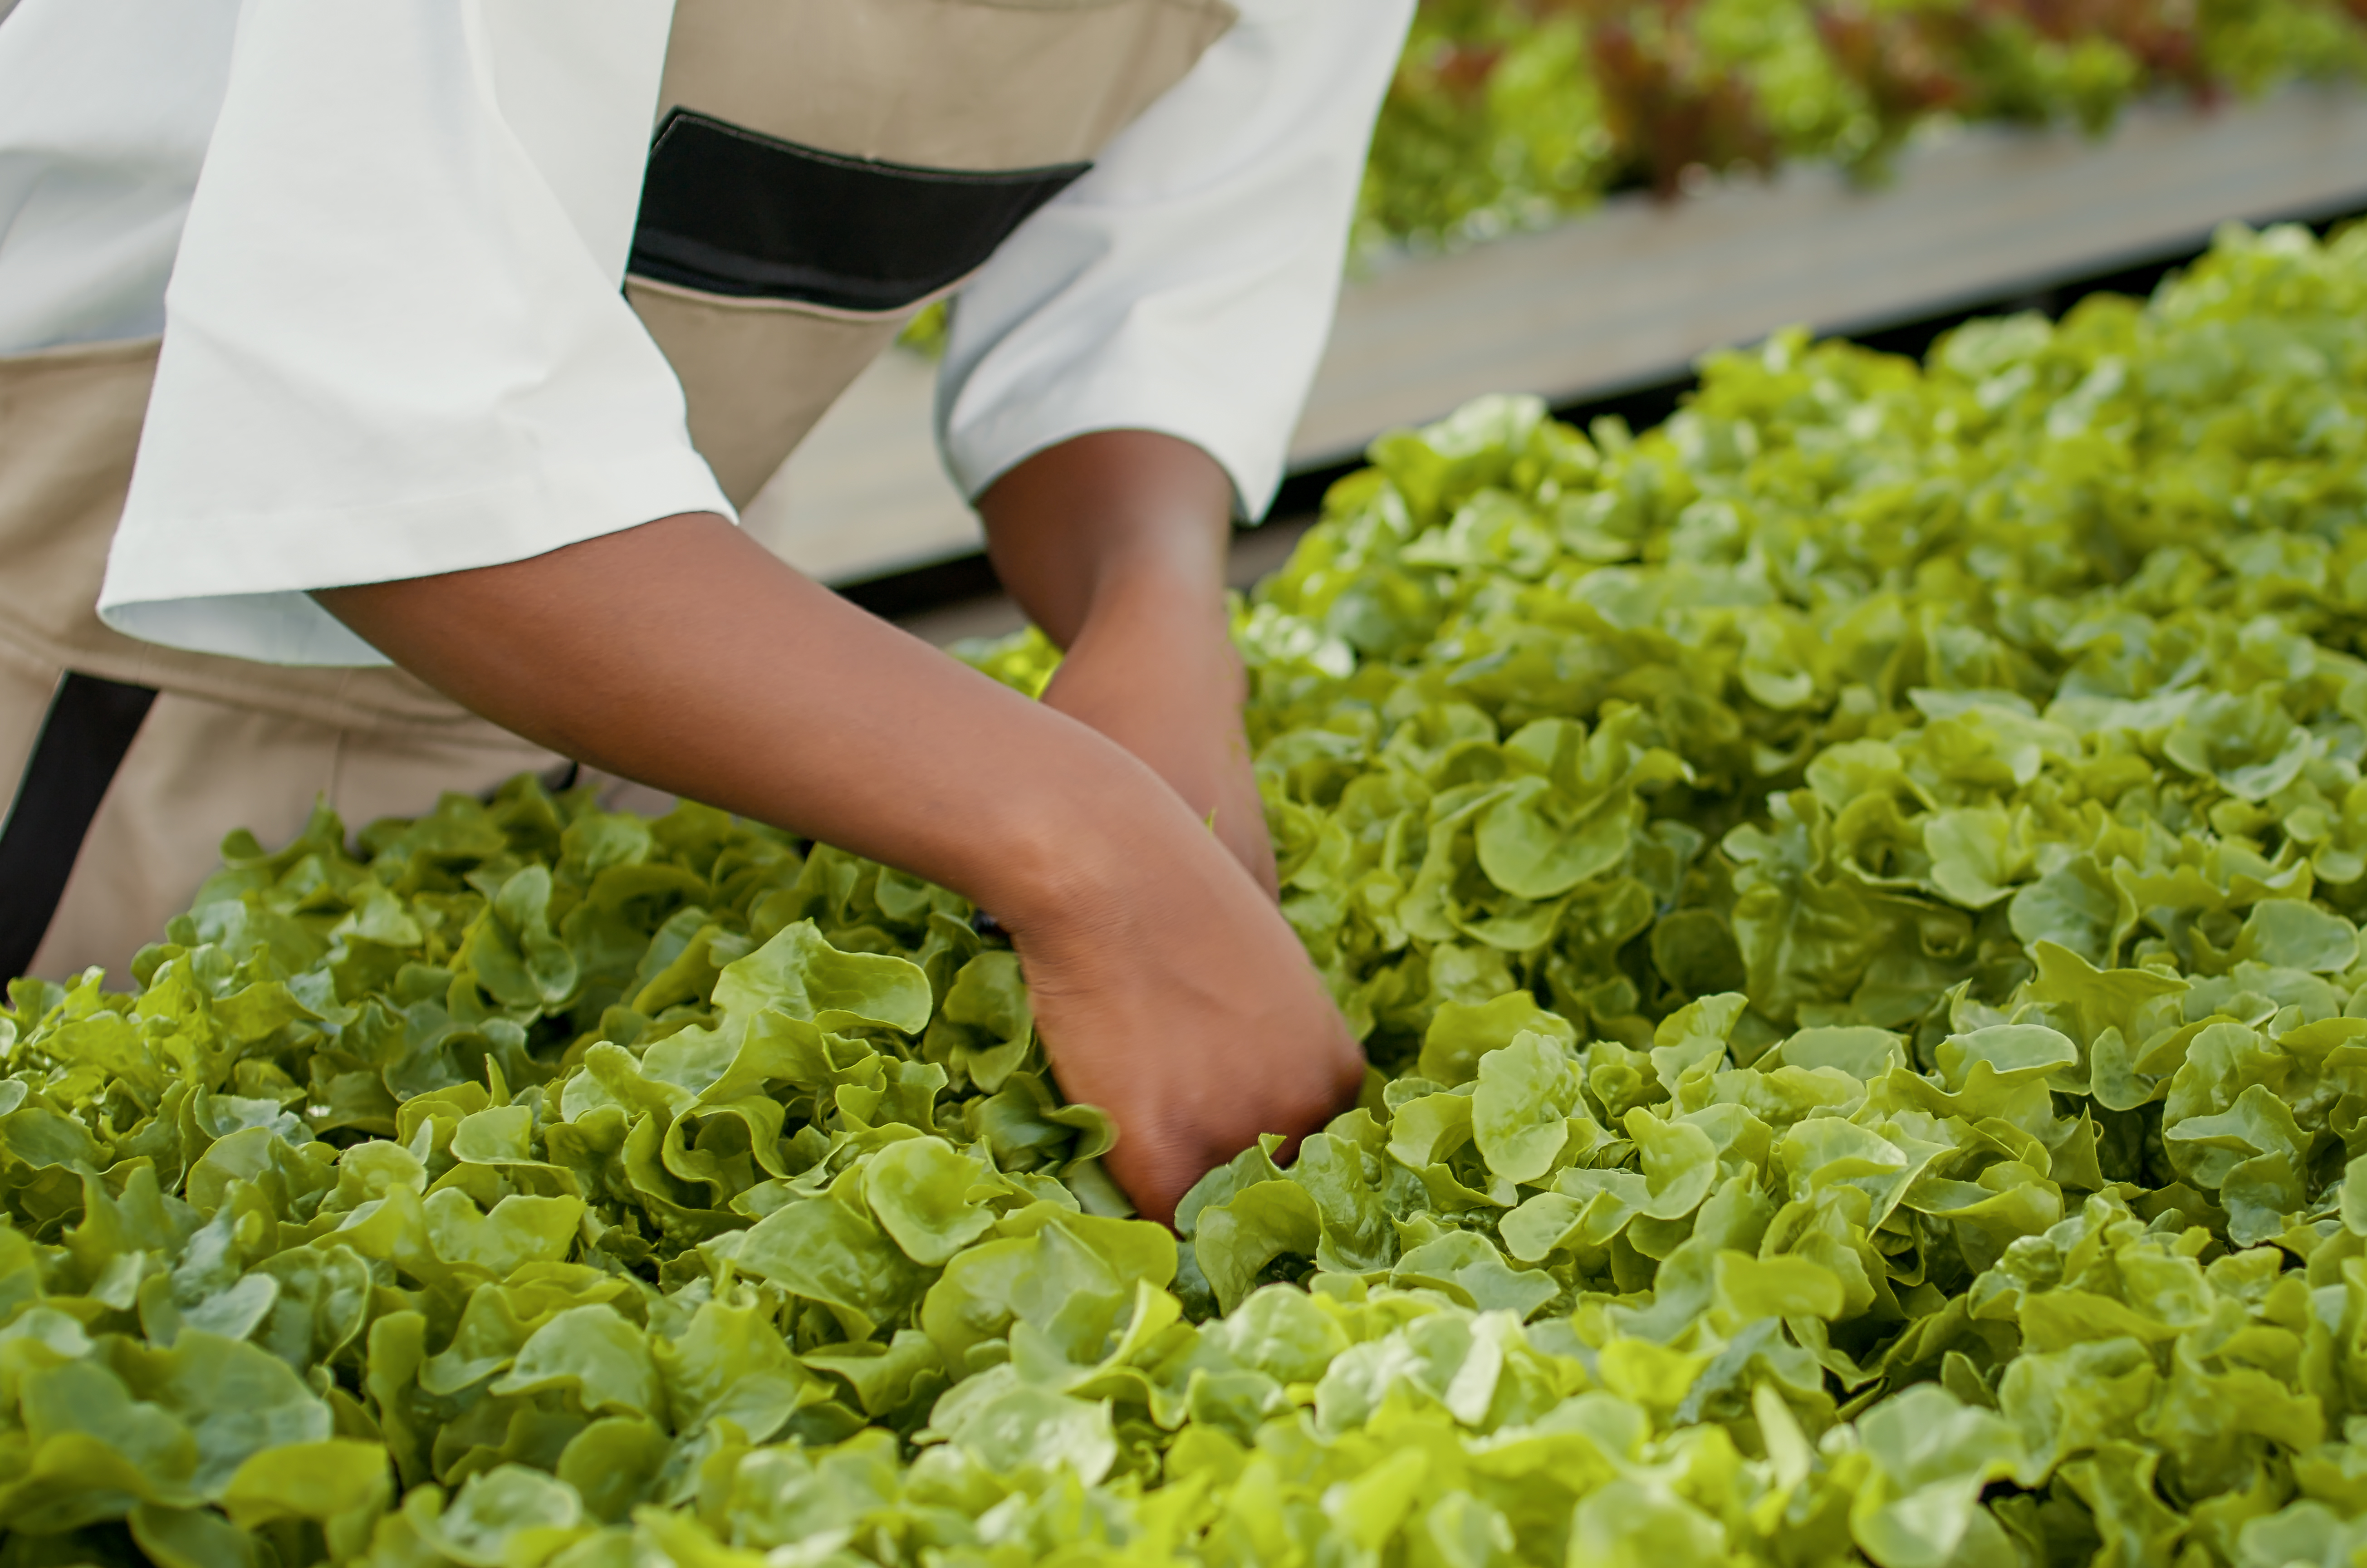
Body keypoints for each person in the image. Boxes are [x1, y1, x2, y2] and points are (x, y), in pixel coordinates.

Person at [0, 0, 1411, 1216]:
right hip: (94, 649)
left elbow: (1139, 305)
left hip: (668, 656)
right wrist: (1087, 844)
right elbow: (384, 424)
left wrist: (1154, 613)